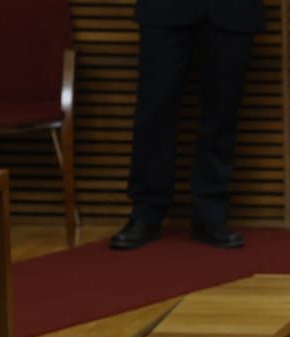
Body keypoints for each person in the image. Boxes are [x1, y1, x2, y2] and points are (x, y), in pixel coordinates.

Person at [109, 0, 266, 251]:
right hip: (164, 9)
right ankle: (146, 213)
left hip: (234, 10)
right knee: (154, 112)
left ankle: (211, 215)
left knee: (222, 114)